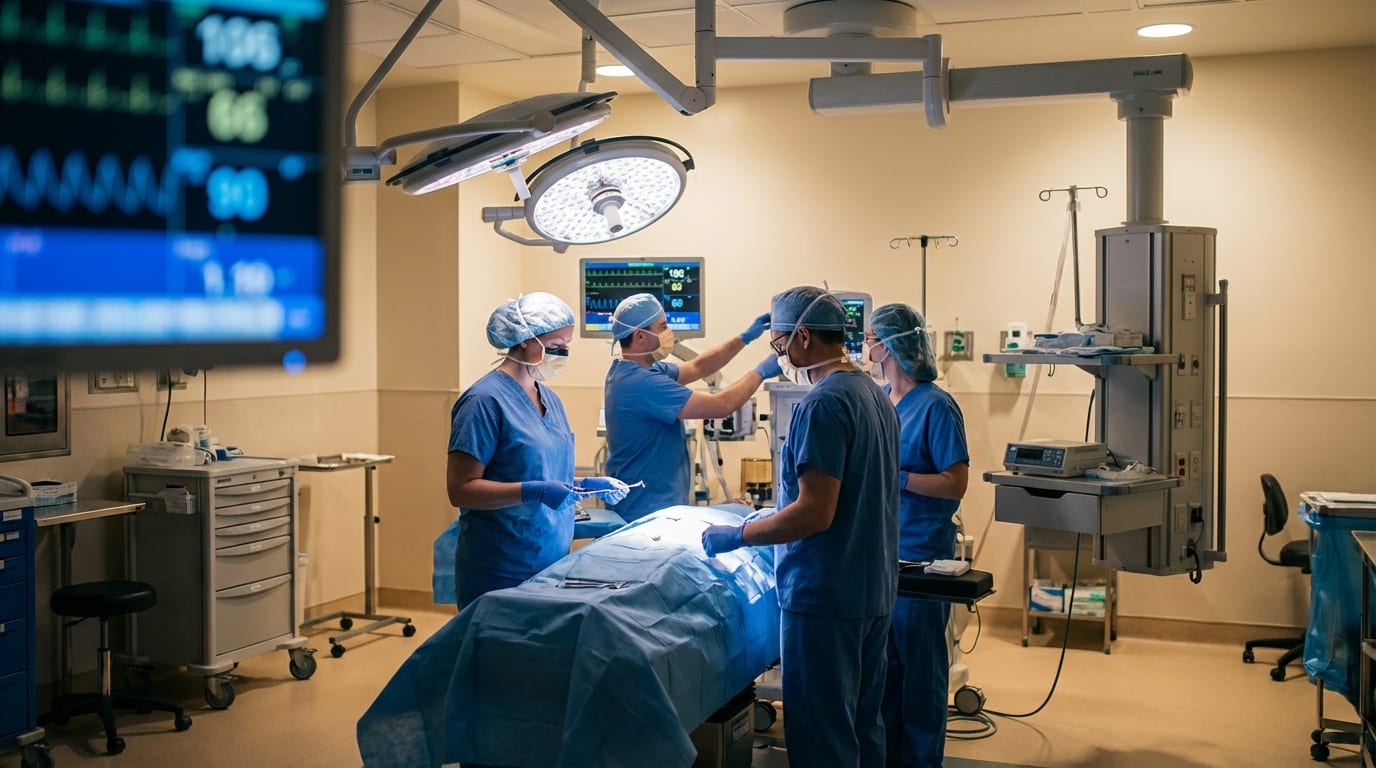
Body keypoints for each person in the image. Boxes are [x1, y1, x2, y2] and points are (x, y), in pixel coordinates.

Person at [701, 286, 900, 767]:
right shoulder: (875, 396)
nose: (780, 354)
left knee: (822, 737)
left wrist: (741, 534)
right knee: (861, 724)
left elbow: (815, 512)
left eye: (779, 343)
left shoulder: (823, 404)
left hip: (825, 596)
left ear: (803, 338)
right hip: (872, 590)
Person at [445, 292, 629, 608]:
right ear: (526, 340)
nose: (563, 353)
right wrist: (533, 492)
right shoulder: (483, 402)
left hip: (551, 559)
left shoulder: (550, 399)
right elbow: (461, 489)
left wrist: (582, 486)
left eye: (567, 346)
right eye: (556, 345)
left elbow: (543, 469)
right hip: (500, 565)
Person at [866, 303, 970, 768]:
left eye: (871, 338)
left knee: (922, 673)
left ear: (887, 345)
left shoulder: (936, 405)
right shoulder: (881, 399)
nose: (866, 346)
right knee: (883, 672)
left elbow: (955, 482)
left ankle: (921, 761)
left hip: (923, 556)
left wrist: (899, 479)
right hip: (882, 554)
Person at [602, 292, 779, 521]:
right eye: (662, 326)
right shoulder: (642, 383)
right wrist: (761, 372)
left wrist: (744, 338)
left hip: (658, 506)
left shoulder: (639, 369)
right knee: (744, 515)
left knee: (740, 511)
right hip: (646, 514)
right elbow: (722, 406)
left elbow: (697, 367)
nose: (668, 333)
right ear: (640, 336)